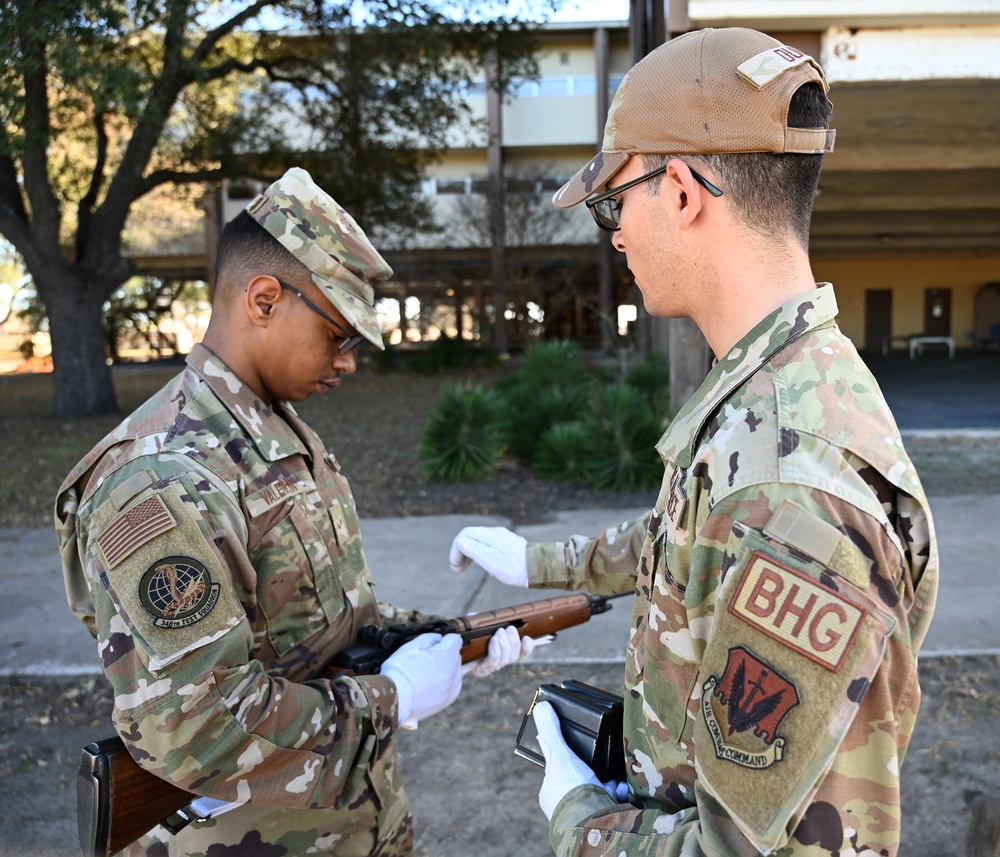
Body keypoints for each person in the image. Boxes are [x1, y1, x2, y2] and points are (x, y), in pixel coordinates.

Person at [449, 27, 938, 857]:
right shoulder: (774, 393)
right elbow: (689, 543)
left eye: (616, 202)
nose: (615, 234)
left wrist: (580, 820)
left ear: (680, 191)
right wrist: (543, 565)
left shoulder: (789, 476)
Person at [55, 167, 534, 856]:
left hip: (343, 825)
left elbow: (326, 624)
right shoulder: (160, 478)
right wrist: (392, 698)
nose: (348, 363)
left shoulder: (279, 436)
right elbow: (197, 727)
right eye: (339, 335)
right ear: (263, 298)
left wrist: (453, 640)